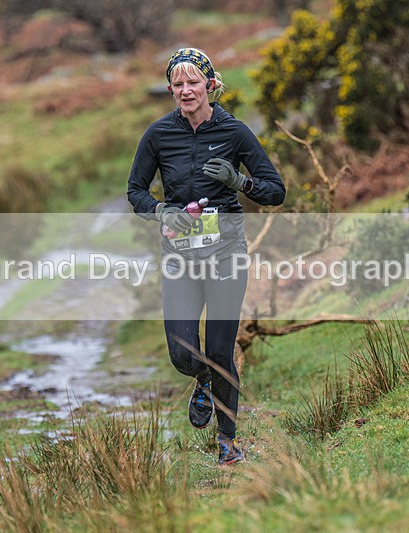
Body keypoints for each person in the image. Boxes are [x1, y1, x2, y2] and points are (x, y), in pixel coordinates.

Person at [127, 47, 285, 465]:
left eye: (193, 82)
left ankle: (228, 441)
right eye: (177, 84)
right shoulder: (158, 135)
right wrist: (162, 210)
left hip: (226, 251)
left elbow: (275, 190)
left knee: (219, 349)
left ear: (210, 85)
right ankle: (202, 381)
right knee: (183, 354)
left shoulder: (235, 132)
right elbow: (135, 192)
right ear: (170, 90)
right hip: (179, 255)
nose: (185, 90)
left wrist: (239, 181)